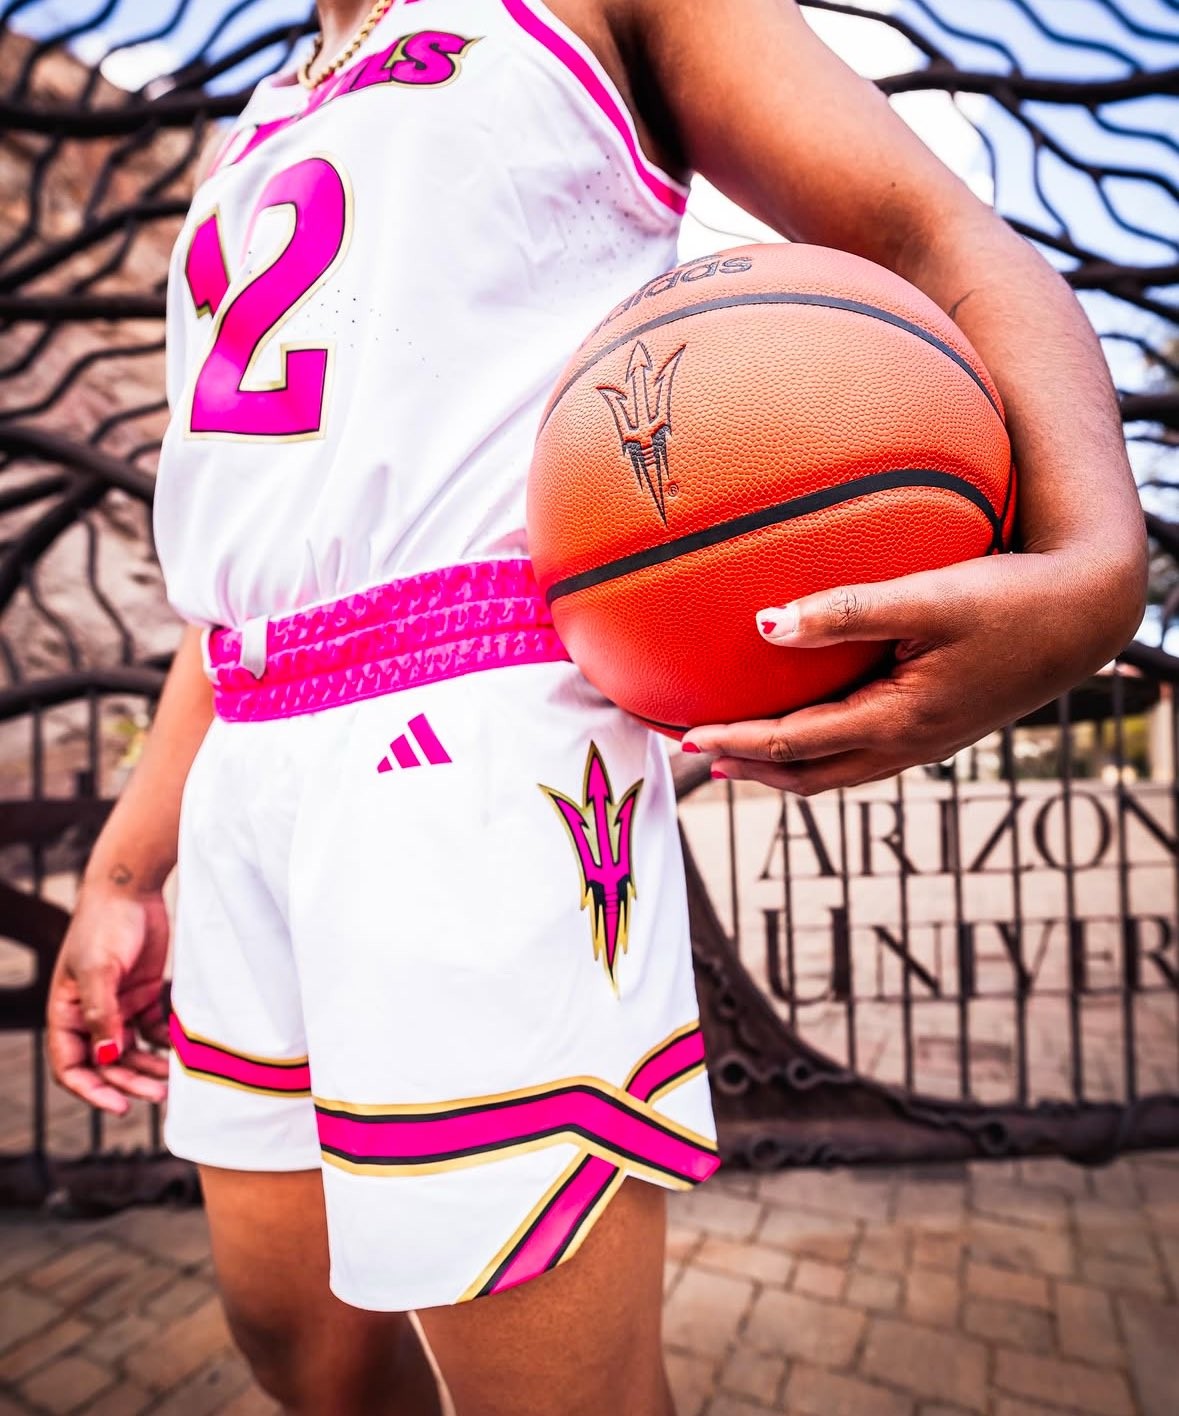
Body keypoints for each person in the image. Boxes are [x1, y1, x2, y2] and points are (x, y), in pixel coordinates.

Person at [47, 1, 1146, 1412]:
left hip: (476, 733)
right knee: (301, 1350)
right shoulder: (264, 113)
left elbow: (931, 233)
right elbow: (249, 578)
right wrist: (125, 872)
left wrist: (1094, 566)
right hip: (246, 751)